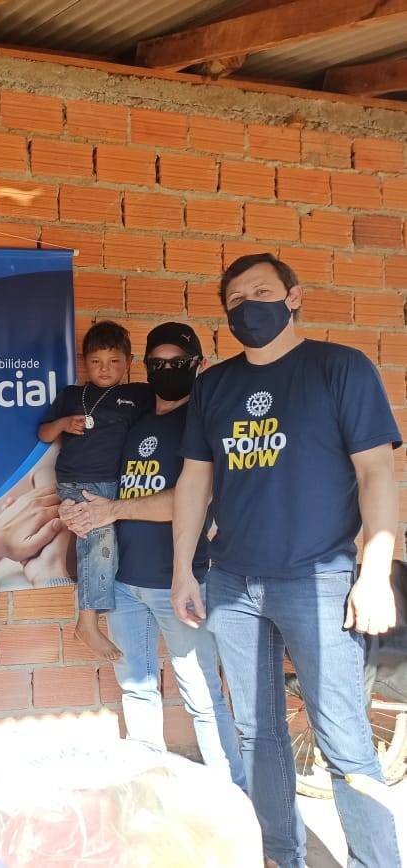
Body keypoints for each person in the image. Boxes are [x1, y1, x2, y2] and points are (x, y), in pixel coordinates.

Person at [172, 253, 402, 868]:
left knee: (345, 740)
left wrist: (375, 572)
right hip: (232, 583)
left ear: (293, 296)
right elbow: (196, 483)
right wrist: (182, 571)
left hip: (319, 580)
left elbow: (378, 472)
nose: (250, 305)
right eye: (237, 300)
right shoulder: (214, 386)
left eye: (263, 291)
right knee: (258, 734)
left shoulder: (341, 369)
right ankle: (280, 856)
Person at [60, 323, 244, 788]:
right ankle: (152, 794)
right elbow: (103, 481)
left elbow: (191, 497)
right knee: (137, 690)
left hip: (179, 583)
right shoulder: (136, 419)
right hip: (125, 584)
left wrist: (112, 509)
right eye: (157, 363)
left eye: (178, 364)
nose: (167, 371)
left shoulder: (200, 426)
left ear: (197, 366)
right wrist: (77, 506)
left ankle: (235, 798)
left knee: (202, 696)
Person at [38, 320, 153, 660]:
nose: (105, 369)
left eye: (114, 361)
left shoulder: (138, 395)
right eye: (96, 361)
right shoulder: (73, 396)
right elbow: (44, 434)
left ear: (129, 362)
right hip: (80, 482)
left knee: (110, 547)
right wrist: (62, 424)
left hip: (120, 485)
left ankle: (95, 617)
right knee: (99, 544)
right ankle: (87, 622)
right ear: (84, 361)